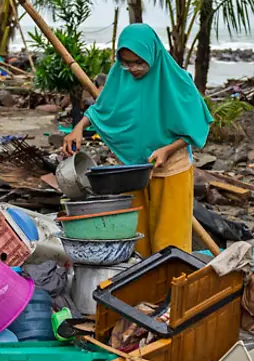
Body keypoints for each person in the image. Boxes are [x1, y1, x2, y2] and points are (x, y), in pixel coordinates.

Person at [63, 24, 212, 257]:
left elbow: (197, 125)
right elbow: (103, 108)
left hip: (171, 168)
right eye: (127, 62)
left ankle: (169, 291)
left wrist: (168, 149)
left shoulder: (177, 80)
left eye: (139, 62)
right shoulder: (120, 75)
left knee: (170, 242)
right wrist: (79, 127)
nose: (132, 69)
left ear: (152, 54)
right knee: (137, 238)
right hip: (133, 170)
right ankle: (143, 290)